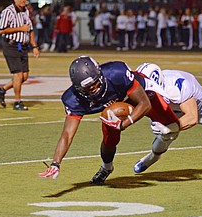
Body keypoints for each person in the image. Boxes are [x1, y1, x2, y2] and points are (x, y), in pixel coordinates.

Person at [38, 56, 179, 184]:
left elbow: (145, 103)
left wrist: (124, 124)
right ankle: (107, 167)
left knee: (173, 129)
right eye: (87, 88)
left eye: (95, 83)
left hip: (145, 95)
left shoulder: (116, 73)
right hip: (118, 108)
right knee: (109, 118)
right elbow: (67, 134)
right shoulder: (73, 99)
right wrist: (55, 163)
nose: (93, 89)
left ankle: (154, 153)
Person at [0, 0, 39, 111]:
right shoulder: (8, 11)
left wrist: (34, 46)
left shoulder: (26, 11)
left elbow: (30, 29)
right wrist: (20, 28)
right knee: (18, 74)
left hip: (23, 46)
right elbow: (1, 30)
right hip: (11, 45)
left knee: (24, 76)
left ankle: (2, 90)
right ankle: (17, 102)